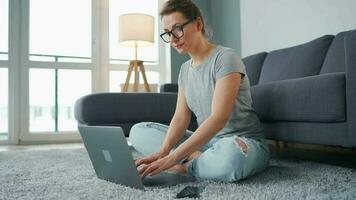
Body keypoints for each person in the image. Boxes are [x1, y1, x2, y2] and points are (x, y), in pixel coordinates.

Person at [129, 0, 270, 182]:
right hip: (205, 144)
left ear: (198, 23)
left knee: (232, 159)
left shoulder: (226, 58)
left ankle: (186, 167)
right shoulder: (184, 70)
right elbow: (181, 118)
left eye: (177, 29)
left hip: (240, 143)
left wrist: (172, 159)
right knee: (138, 131)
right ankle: (200, 159)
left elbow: (218, 118)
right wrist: (163, 152)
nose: (172, 39)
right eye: (167, 33)